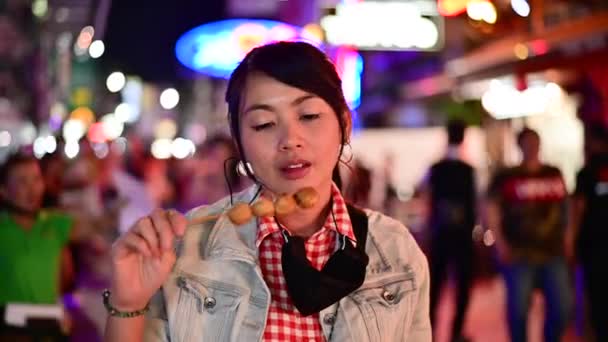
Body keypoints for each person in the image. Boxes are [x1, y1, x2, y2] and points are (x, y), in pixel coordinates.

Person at [104, 41, 431, 342]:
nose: (290, 138)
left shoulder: (395, 251)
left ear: (344, 124)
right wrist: (128, 303)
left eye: (309, 115)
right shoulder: (185, 248)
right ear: (240, 141)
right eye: (263, 124)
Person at [486, 128, 571, 342]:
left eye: (535, 142)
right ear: (520, 146)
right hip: (518, 253)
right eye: (528, 143)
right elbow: (490, 208)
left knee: (563, 306)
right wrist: (501, 244)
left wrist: (569, 237)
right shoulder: (507, 176)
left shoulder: (553, 172)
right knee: (518, 311)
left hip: (552, 250)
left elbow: (566, 207)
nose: (532, 147)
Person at [0, 152, 97, 339]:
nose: (32, 189)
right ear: (3, 190)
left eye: (36, 179)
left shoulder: (54, 223)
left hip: (49, 327)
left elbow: (97, 225)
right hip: (8, 329)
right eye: (22, 181)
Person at [419, 120, 476, 342]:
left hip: (440, 233)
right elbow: (476, 204)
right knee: (462, 286)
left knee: (436, 286)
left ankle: (430, 331)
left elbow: (427, 199)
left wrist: (426, 231)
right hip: (462, 235)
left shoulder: (435, 168)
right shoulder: (469, 170)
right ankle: (456, 332)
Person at [569, 124, 608, 342]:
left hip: (594, 244)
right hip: (596, 243)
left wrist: (571, 241)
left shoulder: (587, 172)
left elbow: (579, 208)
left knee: (596, 296)